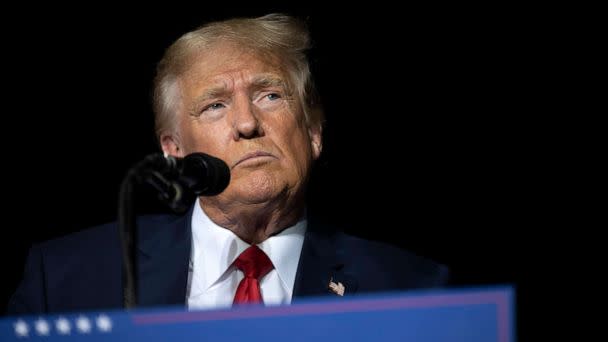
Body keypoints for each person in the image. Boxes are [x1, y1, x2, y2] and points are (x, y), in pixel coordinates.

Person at [7, 13, 448, 315]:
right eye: (215, 105)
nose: (246, 123)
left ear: (314, 133)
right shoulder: (65, 279)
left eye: (270, 95)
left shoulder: (414, 289)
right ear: (173, 150)